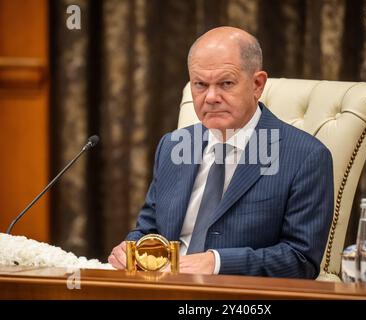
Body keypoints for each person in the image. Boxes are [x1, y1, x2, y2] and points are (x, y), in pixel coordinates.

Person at [108, 26, 334, 278]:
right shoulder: (173, 145)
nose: (211, 97)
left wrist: (217, 263)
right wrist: (132, 246)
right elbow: (150, 230)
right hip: (163, 288)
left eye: (226, 83)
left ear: (257, 84)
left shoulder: (305, 156)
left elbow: (300, 259)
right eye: (200, 85)